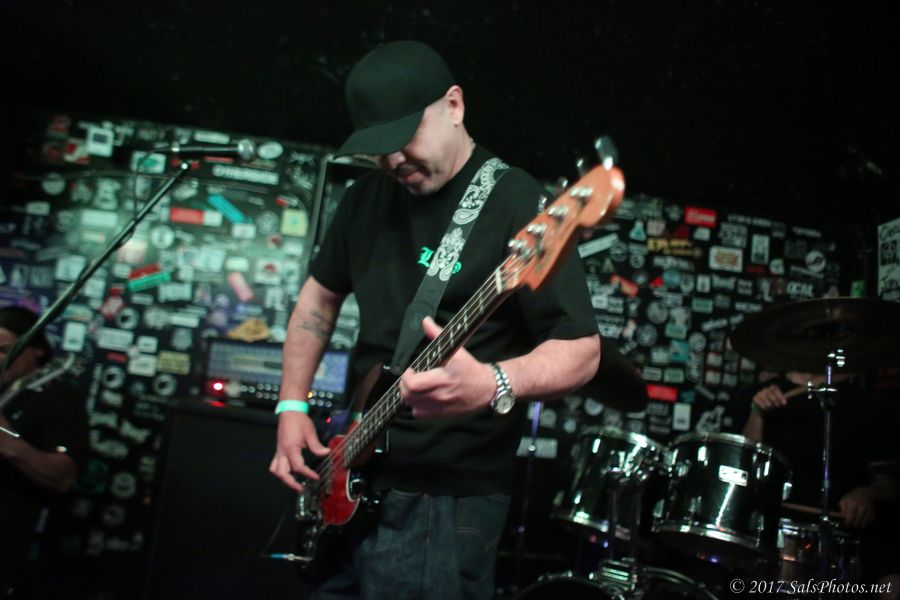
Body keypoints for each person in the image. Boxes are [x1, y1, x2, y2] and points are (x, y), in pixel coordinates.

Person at [269, 41, 601, 599]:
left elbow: (582, 349)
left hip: (445, 501)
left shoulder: (518, 202)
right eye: (378, 148)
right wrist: (291, 404)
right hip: (349, 469)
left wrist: (493, 382)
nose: (393, 160)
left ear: (454, 105)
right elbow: (318, 301)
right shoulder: (364, 199)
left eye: (405, 137)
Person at [730, 370, 900, 581]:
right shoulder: (752, 396)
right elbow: (741, 471)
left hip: (844, 541)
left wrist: (867, 493)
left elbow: (889, 483)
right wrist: (757, 414)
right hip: (765, 533)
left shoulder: (871, 407)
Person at [0, 306, 88, 594]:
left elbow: (63, 476)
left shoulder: (60, 397)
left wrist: (8, 441)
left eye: (5, 351)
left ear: (37, 348)